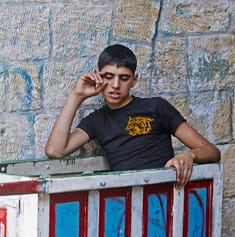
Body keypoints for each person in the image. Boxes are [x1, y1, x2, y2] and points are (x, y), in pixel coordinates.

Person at [45, 44, 220, 188]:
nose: (115, 85)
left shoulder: (155, 107)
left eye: (123, 78)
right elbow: (55, 150)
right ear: (97, 76)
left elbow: (212, 152)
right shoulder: (96, 120)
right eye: (108, 76)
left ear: (134, 80)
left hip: (165, 196)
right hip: (126, 203)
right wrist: (77, 95)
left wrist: (190, 155)